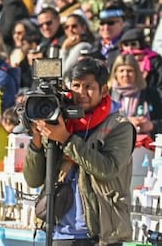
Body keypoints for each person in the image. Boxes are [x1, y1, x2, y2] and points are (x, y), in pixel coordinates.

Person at [25, 57, 134, 245]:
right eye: (76, 85)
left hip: (100, 234)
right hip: (61, 234)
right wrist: (37, 140)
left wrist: (65, 139)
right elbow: (33, 179)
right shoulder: (59, 120)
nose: (81, 92)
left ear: (104, 90)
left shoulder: (120, 126)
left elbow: (107, 169)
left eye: (88, 86)